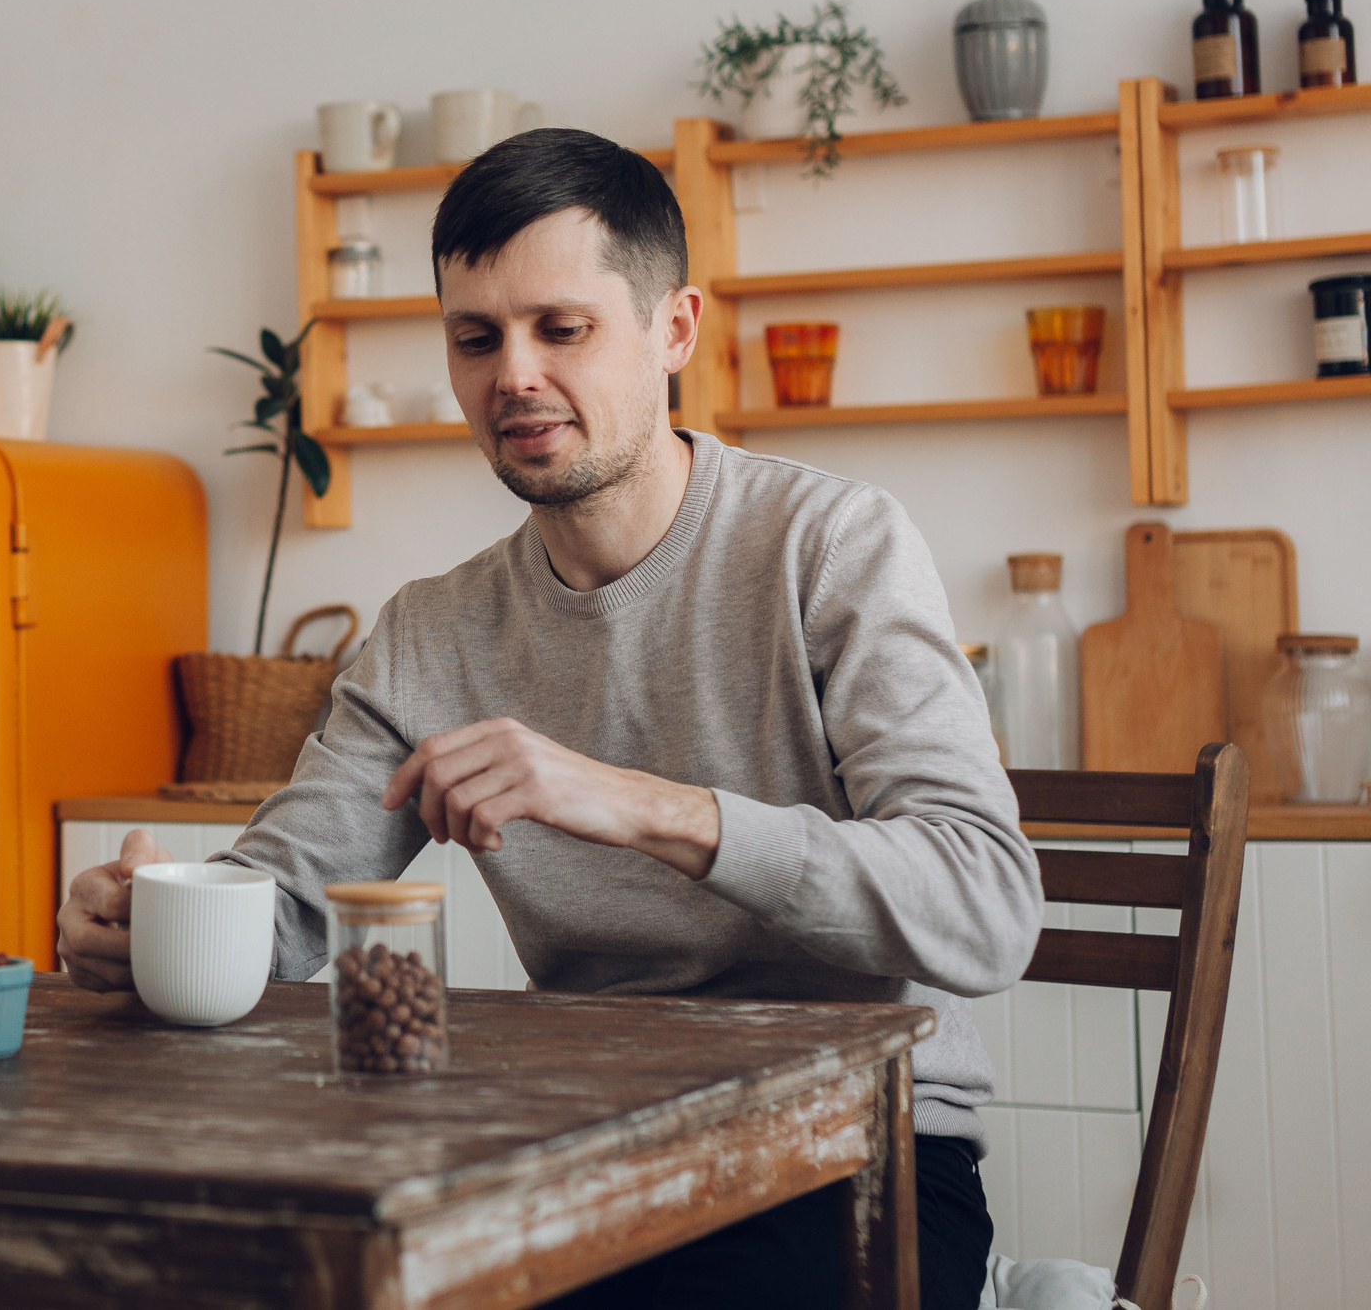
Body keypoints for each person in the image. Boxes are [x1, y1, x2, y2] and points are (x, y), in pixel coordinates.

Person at [58, 128, 1040, 1310]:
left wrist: (632, 804)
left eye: (558, 328)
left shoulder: (831, 546)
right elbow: (283, 907)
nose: (510, 375)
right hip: (576, 1145)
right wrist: (149, 923)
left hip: (863, 1152)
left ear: (672, 330)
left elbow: (986, 906)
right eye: (476, 339)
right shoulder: (432, 630)